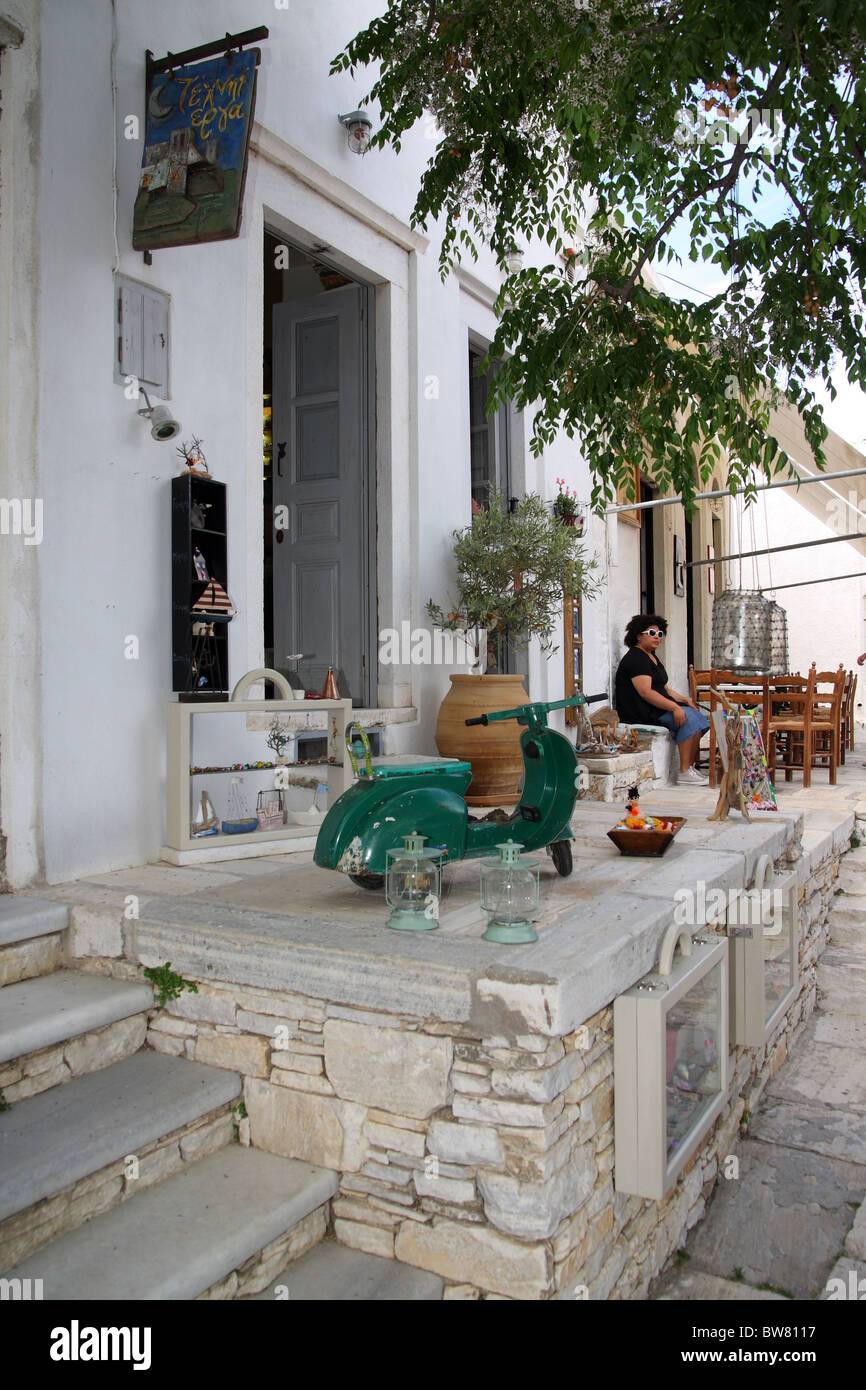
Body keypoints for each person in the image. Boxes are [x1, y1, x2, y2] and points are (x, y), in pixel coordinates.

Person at [614, 614, 710, 785]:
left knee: (698, 717)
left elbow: (664, 688)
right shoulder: (636, 658)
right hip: (642, 711)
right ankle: (684, 772)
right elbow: (646, 692)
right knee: (688, 719)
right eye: (652, 633)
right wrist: (674, 708)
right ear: (638, 636)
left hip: (657, 707)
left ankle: (688, 767)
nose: (657, 637)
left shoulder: (651, 656)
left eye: (660, 634)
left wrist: (685, 700)